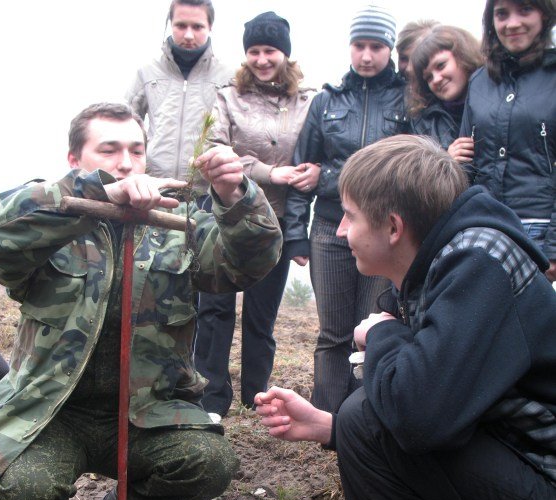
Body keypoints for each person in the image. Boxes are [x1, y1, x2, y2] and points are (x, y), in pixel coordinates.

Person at [256, 135, 556, 500]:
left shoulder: (478, 264)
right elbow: (447, 407)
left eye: (348, 217)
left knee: (369, 418)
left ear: (393, 227)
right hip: (535, 480)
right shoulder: (438, 262)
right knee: (360, 418)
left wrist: (387, 335)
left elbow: (416, 418)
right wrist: (327, 427)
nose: (340, 231)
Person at [0, 102, 282, 500]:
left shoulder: (178, 226)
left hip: (148, 416)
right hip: (54, 413)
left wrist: (235, 193)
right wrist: (90, 194)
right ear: (75, 160)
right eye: (109, 150)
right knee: (26, 491)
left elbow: (249, 263)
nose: (125, 162)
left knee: (211, 463)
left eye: (136, 151)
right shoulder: (50, 223)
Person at [283, 4, 409, 413]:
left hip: (384, 230)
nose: (367, 55)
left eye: (377, 46)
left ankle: (363, 418)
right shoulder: (326, 101)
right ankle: (323, 418)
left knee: (372, 329)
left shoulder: (409, 100)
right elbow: (303, 169)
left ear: (389, 48)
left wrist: (327, 176)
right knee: (332, 332)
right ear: (349, 48)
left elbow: (407, 166)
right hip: (328, 227)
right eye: (359, 45)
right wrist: (294, 233)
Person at [194, 12, 317, 416]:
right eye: (254, 51)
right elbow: (213, 148)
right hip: (224, 212)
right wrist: (268, 172)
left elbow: (313, 151)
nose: (262, 59)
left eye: (271, 51)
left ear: (285, 53)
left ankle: (255, 396)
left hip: (275, 220)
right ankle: (212, 396)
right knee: (215, 309)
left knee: (262, 315)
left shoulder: (308, 100)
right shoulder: (228, 97)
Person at [460, 0, 556, 280]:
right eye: (502, 14)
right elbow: (467, 162)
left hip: (541, 229)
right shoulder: (479, 81)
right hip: (485, 227)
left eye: (525, 10)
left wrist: (553, 246)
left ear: (544, 14)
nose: (512, 23)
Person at [126, 0, 233, 198]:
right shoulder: (147, 73)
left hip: (205, 195)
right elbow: (125, 125)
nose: (189, 34)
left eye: (197, 26)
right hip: (154, 191)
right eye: (181, 25)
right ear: (170, 24)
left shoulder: (227, 77)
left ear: (210, 26)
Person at [408, 26, 483, 156]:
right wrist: (447, 161)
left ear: (463, 56)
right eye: (428, 77)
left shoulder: (497, 99)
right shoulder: (426, 122)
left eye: (441, 65)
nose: (436, 79)